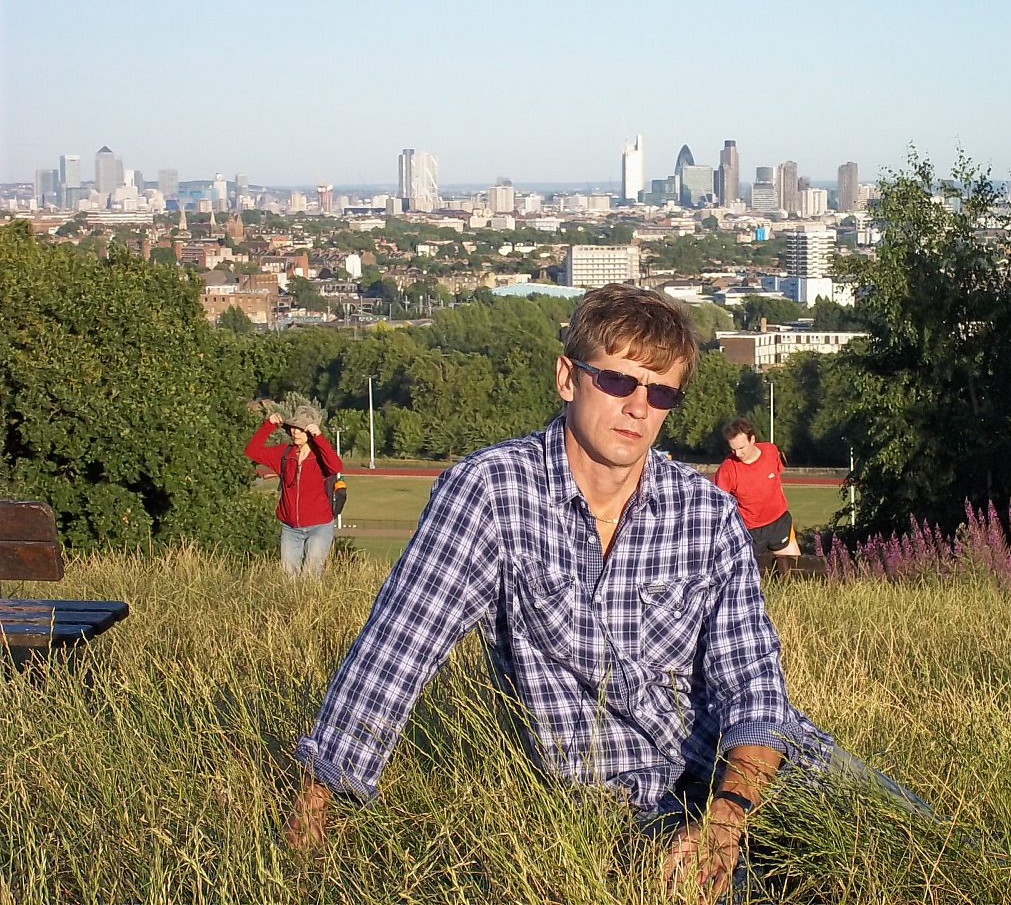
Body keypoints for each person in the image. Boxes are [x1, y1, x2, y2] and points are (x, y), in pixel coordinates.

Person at [283, 285, 933, 901]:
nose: (639, 407)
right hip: (627, 800)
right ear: (568, 378)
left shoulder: (707, 515)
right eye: (619, 381)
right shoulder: (491, 494)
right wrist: (314, 812)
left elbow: (755, 686)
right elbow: (397, 651)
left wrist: (728, 817)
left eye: (662, 392)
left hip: (756, 771)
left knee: (932, 860)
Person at [244, 395, 342, 578]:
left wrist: (320, 438)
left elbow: (335, 467)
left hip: (319, 526)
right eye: (293, 427)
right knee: (289, 577)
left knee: (311, 576)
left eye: (301, 429)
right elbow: (252, 452)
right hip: (290, 527)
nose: (295, 432)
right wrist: (268, 425)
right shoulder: (285, 454)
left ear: (310, 432)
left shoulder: (320, 456)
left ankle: (311, 599)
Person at [714, 418, 802, 578]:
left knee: (796, 573)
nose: (737, 454)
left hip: (779, 523)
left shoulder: (771, 451)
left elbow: (777, 477)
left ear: (752, 439)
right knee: (748, 580)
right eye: (733, 449)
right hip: (749, 532)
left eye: (741, 448)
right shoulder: (727, 470)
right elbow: (719, 507)